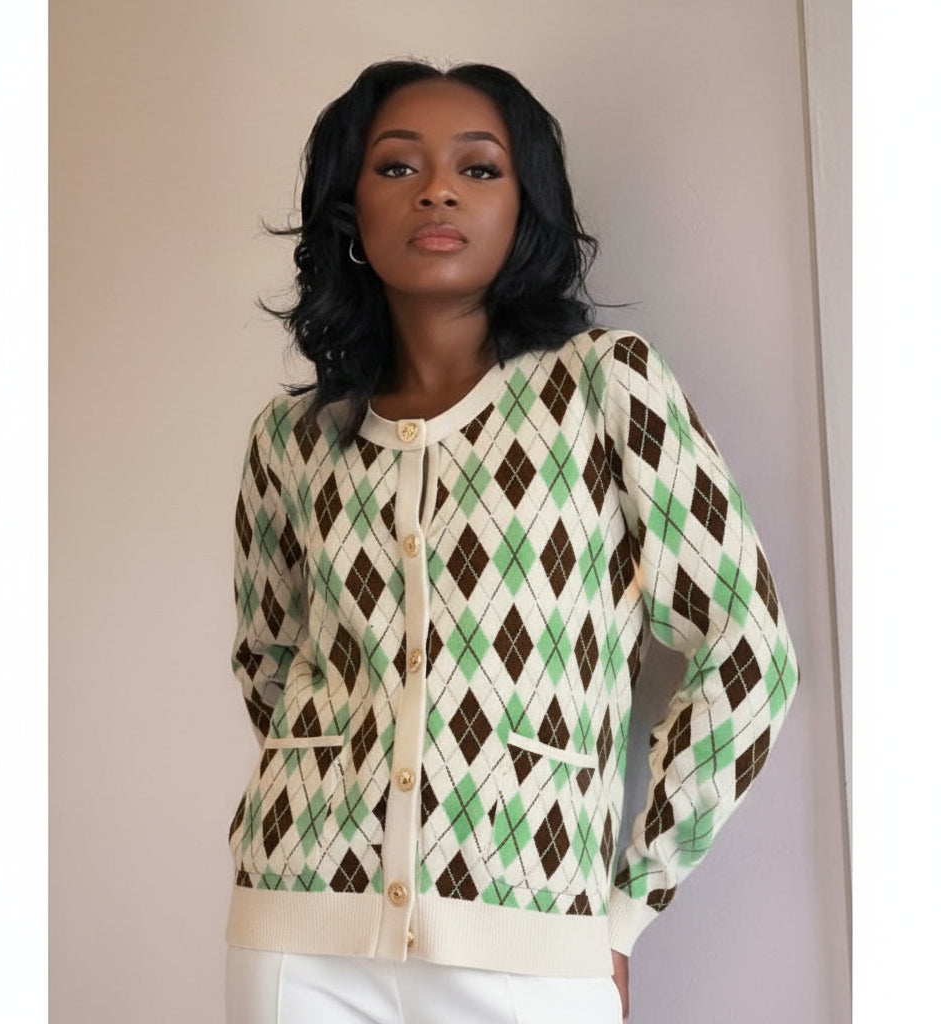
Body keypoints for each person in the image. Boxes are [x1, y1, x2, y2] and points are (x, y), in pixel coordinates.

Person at [224, 60, 798, 1024]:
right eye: (397, 167)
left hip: (534, 948)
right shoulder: (293, 439)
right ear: (349, 213)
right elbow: (272, 661)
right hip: (298, 936)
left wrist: (623, 912)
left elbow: (750, 658)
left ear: (524, 206)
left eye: (479, 168)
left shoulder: (606, 388)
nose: (439, 188)